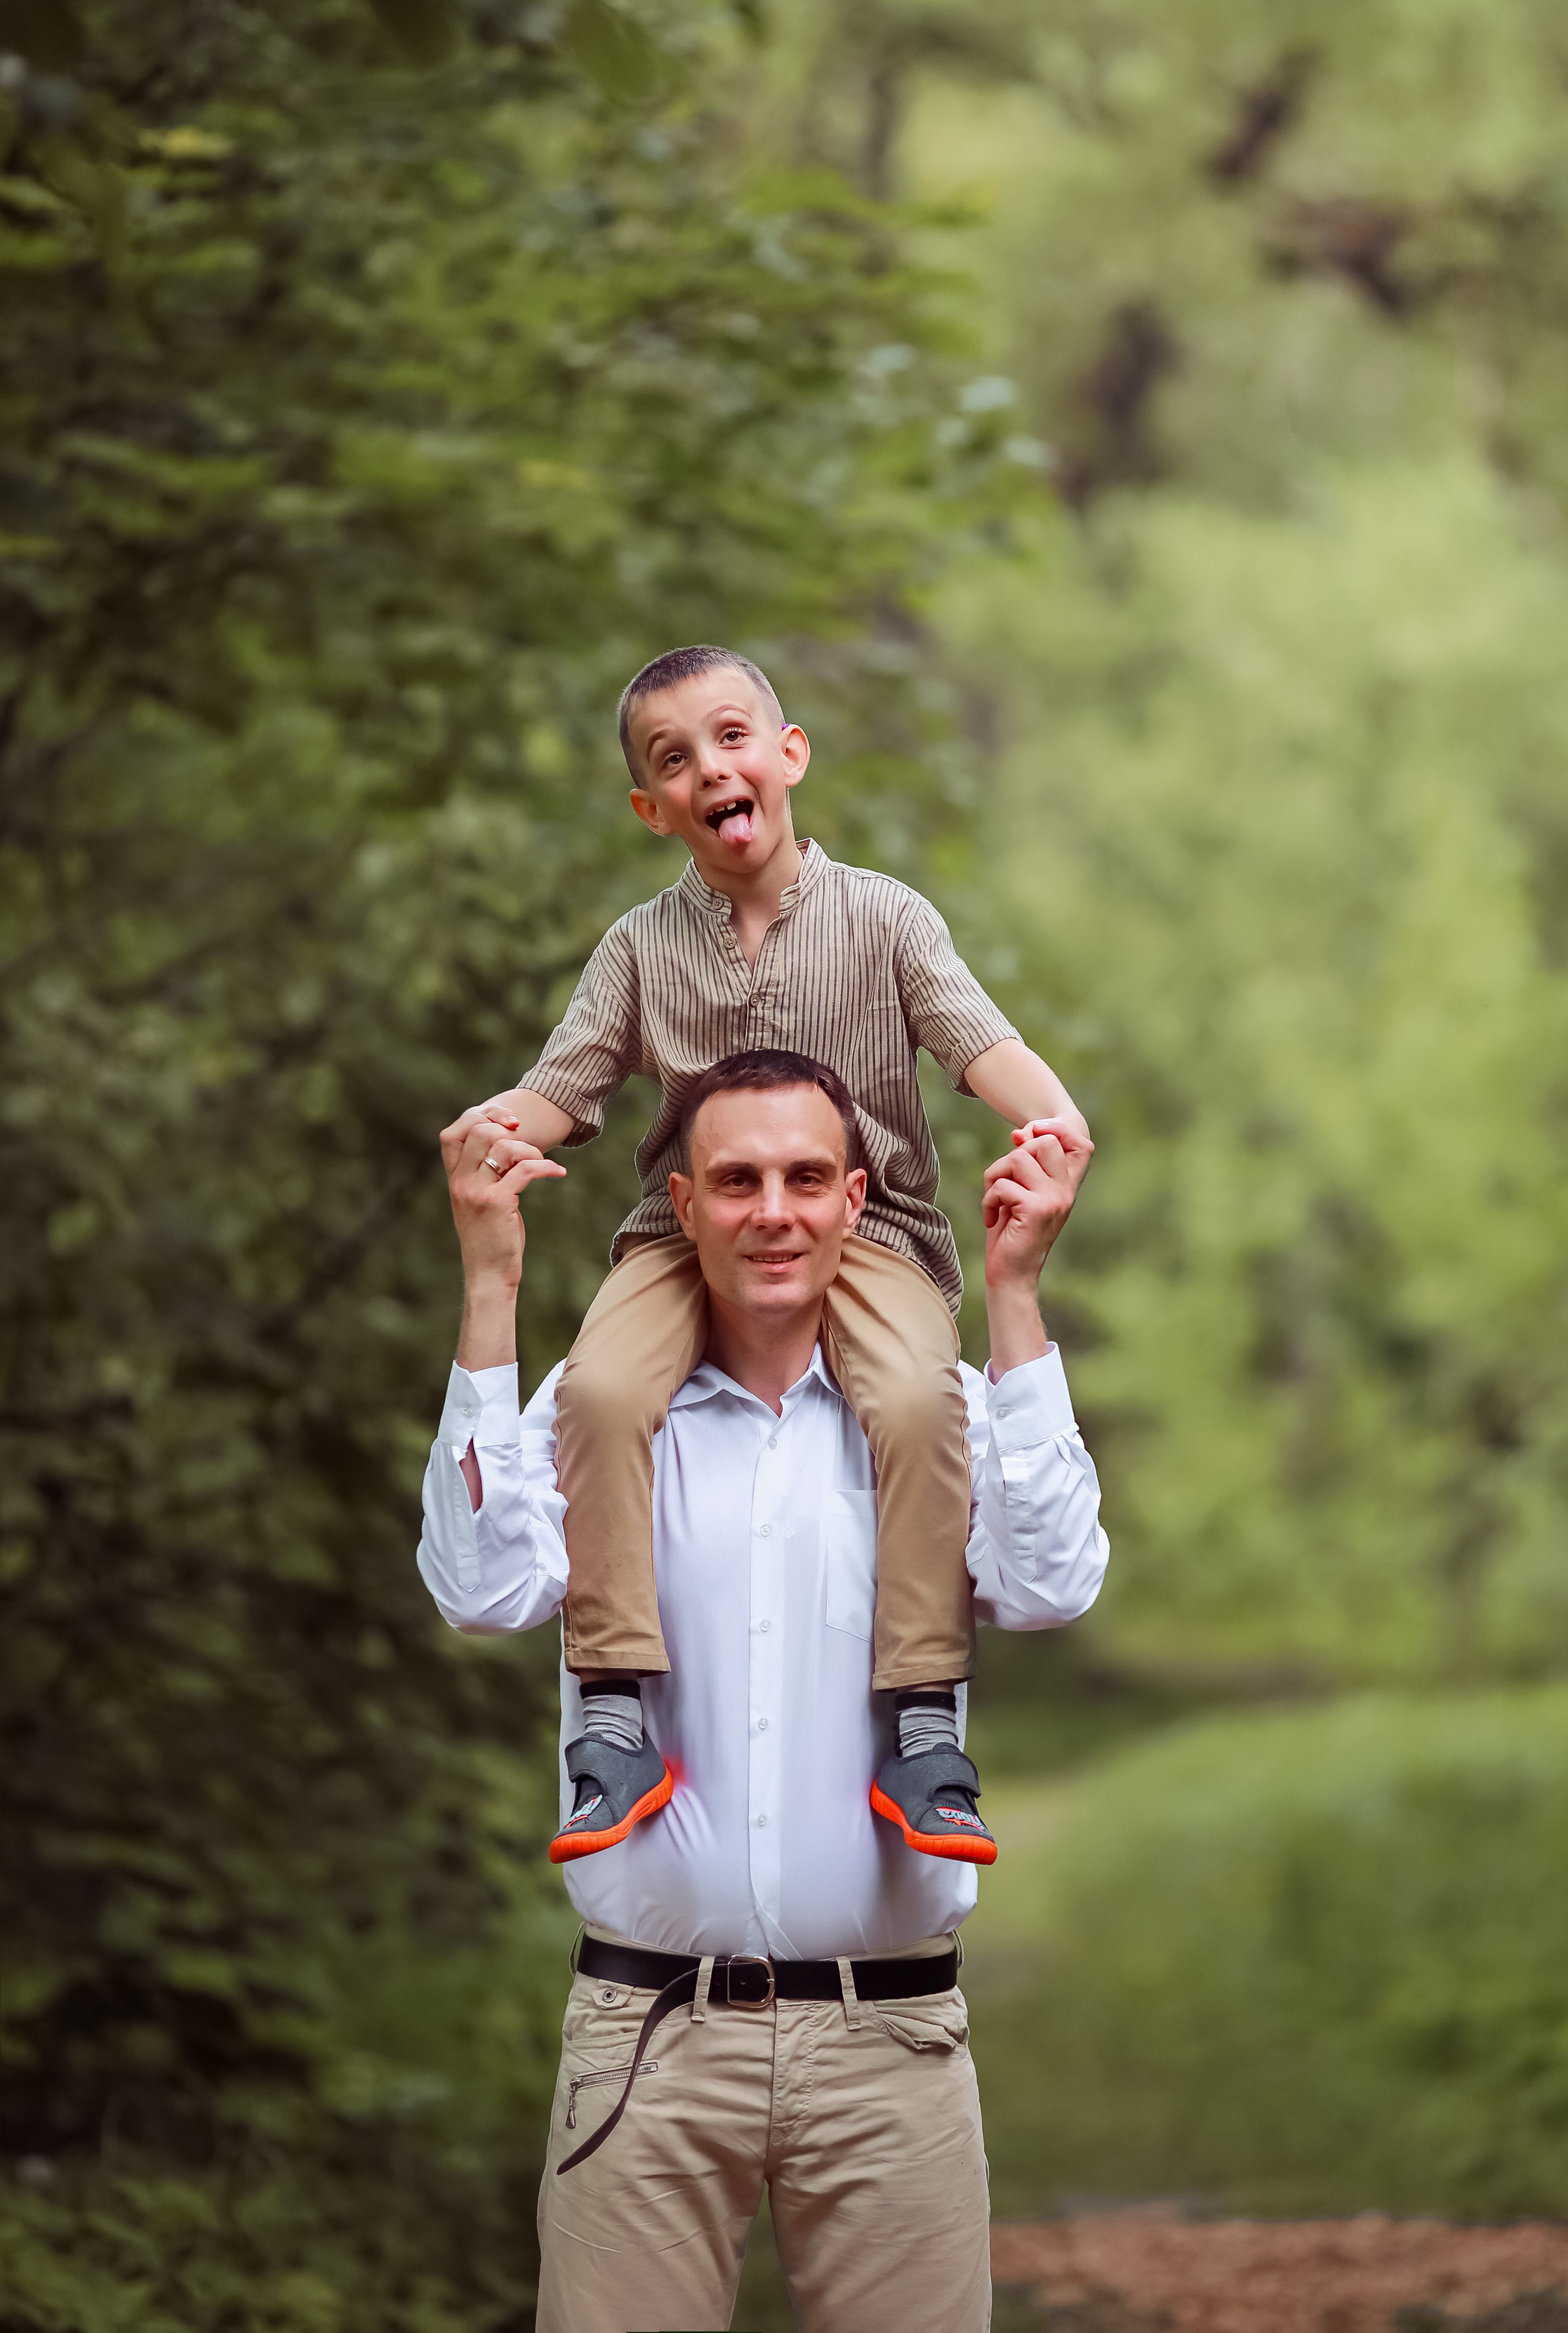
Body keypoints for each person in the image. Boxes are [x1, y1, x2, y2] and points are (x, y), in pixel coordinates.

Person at [420, 1047, 1107, 2333]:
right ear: (683, 1208)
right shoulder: (601, 1413)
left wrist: (1013, 1299)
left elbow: (1056, 1579)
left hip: (889, 2045)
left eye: (805, 1178)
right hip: (647, 2038)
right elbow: (479, 1589)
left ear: (857, 1200)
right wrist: (492, 1284)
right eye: (736, 1181)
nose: (773, 1211)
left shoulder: (940, 1414)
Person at [437, 645, 1093, 1870]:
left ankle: (920, 1721)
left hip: (873, 1229)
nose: (710, 769)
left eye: (732, 737)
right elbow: (561, 1087)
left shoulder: (885, 917)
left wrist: (1057, 1122)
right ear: (653, 810)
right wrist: (486, 1138)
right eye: (673, 760)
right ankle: (618, 1710)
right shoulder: (639, 950)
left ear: (788, 756)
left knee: (910, 1397)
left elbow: (975, 1038)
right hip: (685, 1239)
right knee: (600, 1393)